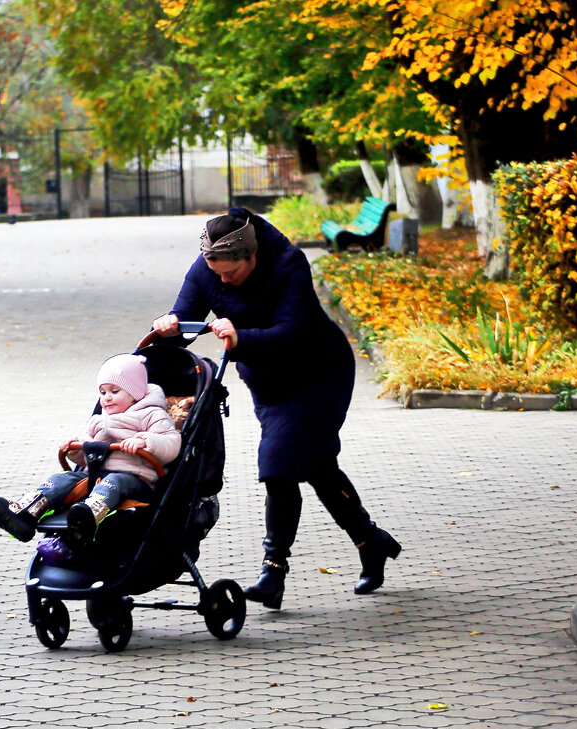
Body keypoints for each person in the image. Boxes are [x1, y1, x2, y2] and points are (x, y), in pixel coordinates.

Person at [151, 207, 401, 609]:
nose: (223, 280)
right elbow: (186, 314)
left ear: (252, 256)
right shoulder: (209, 266)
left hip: (319, 374)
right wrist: (171, 325)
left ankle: (273, 572)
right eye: (215, 272)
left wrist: (240, 336)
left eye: (231, 273)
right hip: (269, 383)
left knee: (278, 464)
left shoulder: (288, 264)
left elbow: (293, 330)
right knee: (318, 467)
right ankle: (370, 541)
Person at [0, 354, 182, 556]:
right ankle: (25, 512)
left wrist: (145, 441)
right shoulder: (99, 420)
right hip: (95, 476)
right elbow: (85, 458)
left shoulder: (151, 414)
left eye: (115, 391)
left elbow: (172, 443)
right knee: (62, 479)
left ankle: (86, 518)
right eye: (102, 392)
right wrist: (76, 450)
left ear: (135, 394)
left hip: (135, 480)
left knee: (114, 481)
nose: (107, 397)